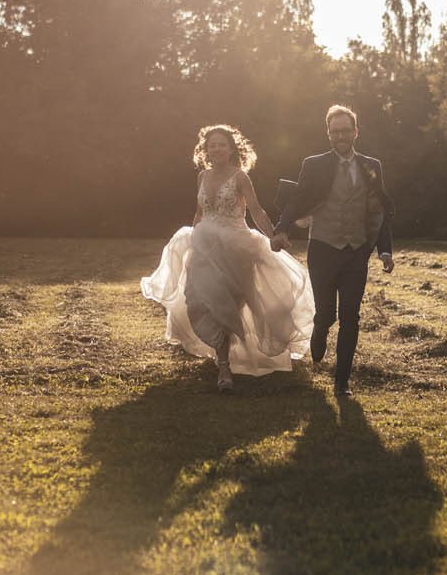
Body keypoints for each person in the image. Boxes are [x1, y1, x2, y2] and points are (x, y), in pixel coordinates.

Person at [142, 123, 315, 392]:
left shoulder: (240, 177)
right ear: (206, 150)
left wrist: (273, 236)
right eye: (212, 145)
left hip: (236, 247)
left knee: (232, 304)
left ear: (232, 149)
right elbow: (200, 213)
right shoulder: (202, 177)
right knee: (201, 300)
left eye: (222, 144)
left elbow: (256, 212)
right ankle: (223, 366)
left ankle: (239, 356)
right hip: (204, 247)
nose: (217, 149)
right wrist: (192, 239)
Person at [270, 104, 393, 398]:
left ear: (355, 131)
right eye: (335, 131)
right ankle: (319, 329)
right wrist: (282, 229)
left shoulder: (371, 166)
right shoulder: (314, 164)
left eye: (345, 130)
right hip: (323, 248)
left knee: (351, 315)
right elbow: (297, 200)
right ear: (328, 134)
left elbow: (380, 209)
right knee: (327, 313)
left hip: (356, 251)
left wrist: (384, 250)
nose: (340, 135)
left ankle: (342, 382)